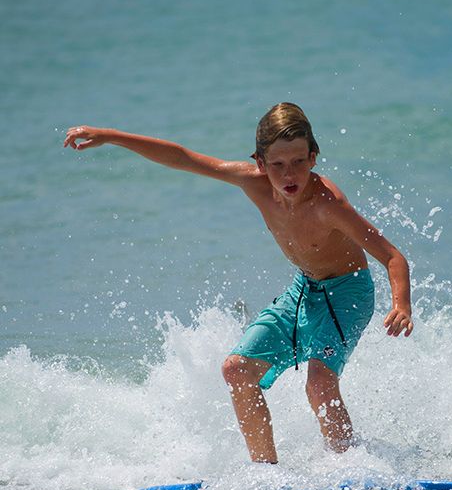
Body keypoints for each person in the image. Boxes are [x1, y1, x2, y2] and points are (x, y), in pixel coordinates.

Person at [64, 103, 413, 464]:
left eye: (297, 161)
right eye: (277, 165)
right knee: (237, 369)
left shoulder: (329, 204)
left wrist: (401, 305)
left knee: (320, 384)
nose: (288, 174)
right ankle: (267, 474)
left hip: (347, 294)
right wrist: (109, 137)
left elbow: (392, 257)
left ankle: (353, 467)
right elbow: (182, 157)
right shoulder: (253, 183)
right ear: (260, 163)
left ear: (313, 157)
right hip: (304, 290)